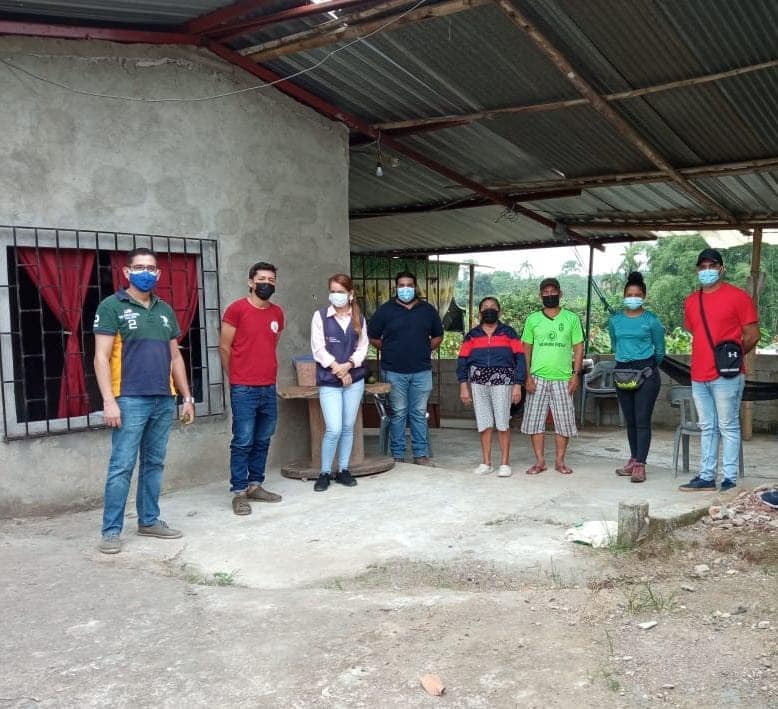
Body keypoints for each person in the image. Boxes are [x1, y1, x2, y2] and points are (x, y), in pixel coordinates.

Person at [94, 247, 195, 554]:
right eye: (139, 267)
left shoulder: (165, 310)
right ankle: (111, 531)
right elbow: (100, 357)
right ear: (127, 272)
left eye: (151, 268)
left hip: (163, 399)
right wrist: (109, 401)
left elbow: (175, 357)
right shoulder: (112, 306)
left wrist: (187, 396)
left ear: (158, 273)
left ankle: (149, 520)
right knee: (122, 466)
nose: (146, 273)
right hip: (129, 399)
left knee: (154, 464)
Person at [679, 248, 759, 493]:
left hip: (727, 375)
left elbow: (752, 335)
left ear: (721, 268)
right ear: (697, 270)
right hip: (699, 374)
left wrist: (732, 358)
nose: (707, 270)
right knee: (708, 426)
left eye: (712, 266)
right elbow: (695, 330)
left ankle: (729, 479)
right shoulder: (691, 301)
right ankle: (706, 476)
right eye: (703, 266)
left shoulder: (739, 297)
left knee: (728, 426)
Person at [220, 262, 284, 516]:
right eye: (262, 279)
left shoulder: (277, 313)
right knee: (243, 440)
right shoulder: (237, 309)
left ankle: (255, 484)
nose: (267, 283)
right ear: (250, 282)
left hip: (268, 385)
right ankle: (239, 491)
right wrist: (235, 377)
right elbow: (224, 346)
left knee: (263, 438)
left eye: (271, 279)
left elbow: (271, 344)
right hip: (244, 387)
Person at [368, 271, 444, 465]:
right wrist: (390, 349)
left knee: (418, 413)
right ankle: (398, 455)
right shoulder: (385, 310)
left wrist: (425, 349)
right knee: (399, 413)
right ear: (396, 288)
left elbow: (438, 335)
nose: (405, 289)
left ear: (415, 287)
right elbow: (373, 336)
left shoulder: (427, 310)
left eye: (409, 285)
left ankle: (420, 455)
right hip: (393, 371)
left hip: (421, 370)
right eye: (401, 286)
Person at [310, 274, 368, 492]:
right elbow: (318, 349)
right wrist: (340, 371)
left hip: (355, 379)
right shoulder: (320, 317)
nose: (336, 295)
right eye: (333, 291)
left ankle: (343, 470)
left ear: (350, 294)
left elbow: (363, 347)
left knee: (347, 426)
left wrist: (350, 365)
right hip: (329, 380)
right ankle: (325, 472)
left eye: (341, 292)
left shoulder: (359, 318)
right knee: (333, 428)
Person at [520, 277, 584, 475]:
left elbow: (579, 348)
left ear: (560, 293)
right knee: (534, 421)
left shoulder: (571, 318)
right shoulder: (532, 319)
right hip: (537, 377)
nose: (549, 295)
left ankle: (560, 461)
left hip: (563, 378)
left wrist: (575, 375)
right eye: (545, 292)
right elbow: (526, 350)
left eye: (553, 291)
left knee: (564, 422)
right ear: (540, 295)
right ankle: (540, 461)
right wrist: (527, 376)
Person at [608, 272, 666, 483]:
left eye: (637, 295)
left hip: (646, 373)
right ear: (624, 296)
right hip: (623, 373)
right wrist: (627, 361)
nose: (633, 298)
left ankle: (641, 464)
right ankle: (633, 459)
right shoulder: (615, 320)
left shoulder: (652, 321)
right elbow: (615, 344)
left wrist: (646, 365)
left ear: (644, 297)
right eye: (629, 294)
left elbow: (660, 351)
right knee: (630, 420)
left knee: (642, 420)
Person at [457, 297, 526, 477]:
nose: (489, 309)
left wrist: (518, 385)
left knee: (502, 423)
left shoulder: (509, 333)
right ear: (480, 312)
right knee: (484, 423)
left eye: (493, 307)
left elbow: (520, 358)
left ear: (499, 311)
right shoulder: (472, 335)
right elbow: (462, 360)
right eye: (485, 307)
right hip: (478, 382)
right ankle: (486, 462)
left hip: (503, 381)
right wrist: (463, 386)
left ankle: (505, 463)